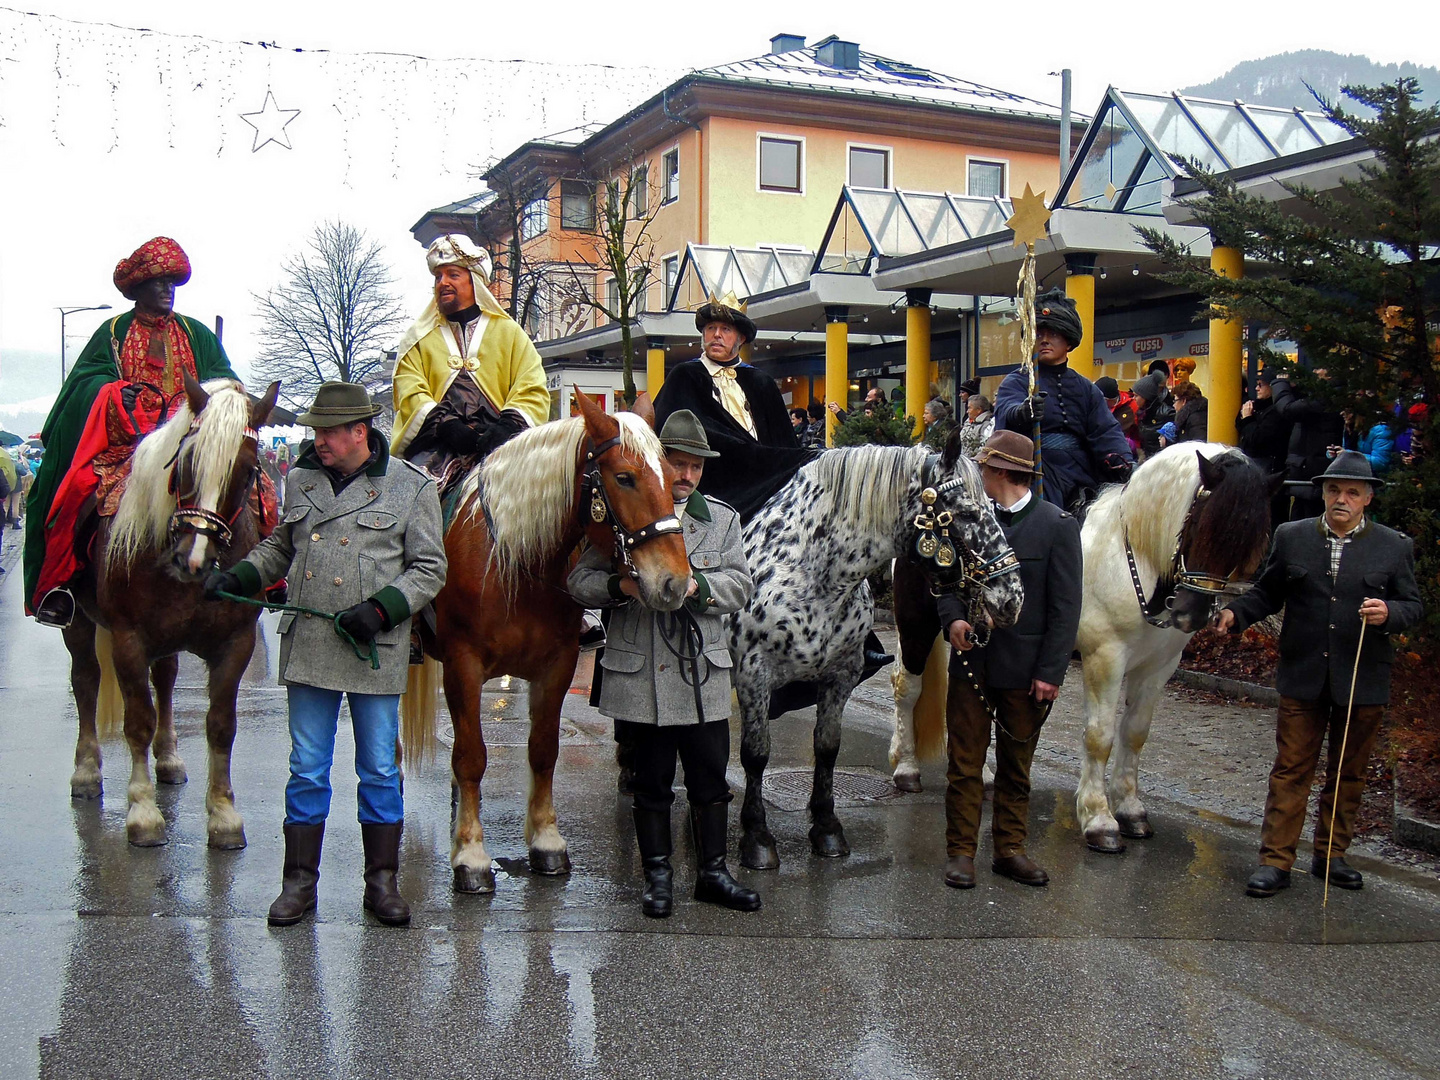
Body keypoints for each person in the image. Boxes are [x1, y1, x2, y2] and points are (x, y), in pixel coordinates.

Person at [204, 382, 447, 927]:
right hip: (311, 646)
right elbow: (281, 547)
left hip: (373, 649)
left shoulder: (410, 488)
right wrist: (237, 575)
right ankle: (299, 884)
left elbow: (430, 569)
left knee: (380, 769)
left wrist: (384, 609)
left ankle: (382, 883)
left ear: (359, 432)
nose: (319, 441)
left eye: (327, 432)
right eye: (316, 431)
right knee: (308, 768)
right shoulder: (301, 479)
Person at [568, 410, 760, 918]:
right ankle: (657, 876)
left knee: (711, 781)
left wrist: (702, 588)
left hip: (702, 673)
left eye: (695, 466)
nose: (687, 475)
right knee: (650, 783)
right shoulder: (622, 514)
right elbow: (578, 582)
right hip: (642, 674)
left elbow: (743, 585)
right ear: (660, 462)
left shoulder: (721, 519)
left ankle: (713, 874)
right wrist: (620, 586)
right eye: (677, 463)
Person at [1215, 451, 1421, 898]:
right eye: (1332, 490)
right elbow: (1267, 592)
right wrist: (1236, 613)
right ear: (1323, 493)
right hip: (1303, 671)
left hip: (1363, 677)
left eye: (1350, 492)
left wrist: (1390, 612)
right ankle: (1275, 861)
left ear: (1367, 499)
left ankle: (1332, 855)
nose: (1340, 499)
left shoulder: (1394, 546)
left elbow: (1413, 606)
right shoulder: (1292, 537)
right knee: (1290, 769)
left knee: (1349, 771)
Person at [25, 237, 240, 625]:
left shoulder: (197, 334)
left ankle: (264, 579)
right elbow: (84, 384)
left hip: (188, 445)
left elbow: (226, 381)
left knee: (251, 489)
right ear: (137, 289)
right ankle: (63, 585)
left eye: (172, 283)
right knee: (74, 493)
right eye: (158, 283)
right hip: (125, 448)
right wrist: (112, 394)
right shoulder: (112, 332)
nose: (167, 291)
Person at [938, 431, 1082, 889]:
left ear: (1000, 471)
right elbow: (944, 582)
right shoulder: (970, 520)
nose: (977, 473)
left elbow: (1066, 607)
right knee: (964, 764)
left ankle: (1010, 849)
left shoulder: (1057, 525)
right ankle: (961, 852)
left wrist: (1050, 673)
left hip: (1027, 671)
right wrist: (953, 621)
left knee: (1016, 768)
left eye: (982, 466)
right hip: (972, 665)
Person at [390, 234, 550, 482]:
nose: (443, 282)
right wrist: (446, 425)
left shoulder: (510, 334)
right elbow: (410, 390)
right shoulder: (418, 339)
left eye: (453, 275)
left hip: (501, 446)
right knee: (412, 495)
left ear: (474, 281)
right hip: (436, 447)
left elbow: (531, 388)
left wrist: (506, 427)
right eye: (438, 277)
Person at [653, 291, 812, 520]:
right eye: (710, 328)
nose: (716, 335)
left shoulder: (761, 383)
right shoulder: (685, 376)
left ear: (741, 338)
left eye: (725, 330)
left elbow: (784, 442)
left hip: (762, 489)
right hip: (708, 486)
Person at [994, 289, 1134, 511]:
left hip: (1080, 475)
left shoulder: (1086, 389)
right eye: (1039, 335)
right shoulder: (1018, 381)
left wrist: (1125, 464)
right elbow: (1006, 412)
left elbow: (1105, 432)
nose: (1045, 341)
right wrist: (1023, 412)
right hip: (1034, 474)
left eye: (1054, 334)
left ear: (1068, 341)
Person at [1270, 370, 1345, 521]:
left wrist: (1280, 383)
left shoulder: (1328, 396)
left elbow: (1288, 409)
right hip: (1307, 471)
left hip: (1311, 472)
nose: (1315, 371)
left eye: (1320, 368)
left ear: (1330, 374)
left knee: (1307, 526)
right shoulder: (1326, 396)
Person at [958, 394, 994, 459]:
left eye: (969, 408)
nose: (967, 411)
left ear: (979, 410)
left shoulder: (987, 424)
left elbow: (982, 447)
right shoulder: (968, 422)